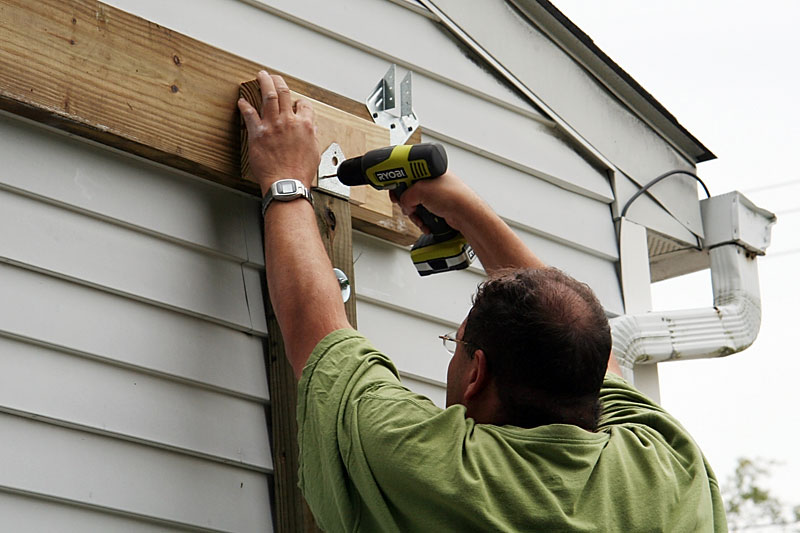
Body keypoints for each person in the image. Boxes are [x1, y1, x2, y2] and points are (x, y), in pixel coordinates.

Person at [238, 71, 727, 532]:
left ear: (477, 374)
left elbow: (318, 333)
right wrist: (463, 210)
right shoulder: (667, 471)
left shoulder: (431, 466)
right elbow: (578, 344)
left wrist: (284, 179)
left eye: (456, 343)